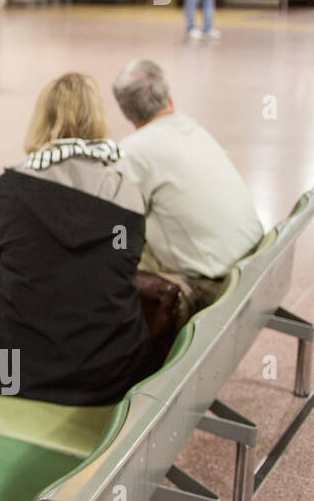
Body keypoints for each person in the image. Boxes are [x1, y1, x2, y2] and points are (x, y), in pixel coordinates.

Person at [0, 72, 156, 414]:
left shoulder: (11, 188)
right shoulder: (128, 194)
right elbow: (125, 265)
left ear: (41, 120)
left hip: (9, 370)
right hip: (109, 371)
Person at [111, 59, 263, 315]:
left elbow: (115, 221)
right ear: (169, 97)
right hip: (250, 263)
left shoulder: (133, 152)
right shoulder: (193, 129)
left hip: (210, 283)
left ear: (125, 111)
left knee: (110, 253)